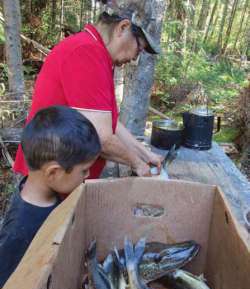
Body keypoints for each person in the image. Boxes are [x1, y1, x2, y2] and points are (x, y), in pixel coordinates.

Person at [13, 0, 163, 179]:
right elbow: (102, 137)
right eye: (138, 49)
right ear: (122, 27)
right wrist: (137, 163)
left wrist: (145, 155)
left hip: (60, 177)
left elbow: (109, 125)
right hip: (49, 182)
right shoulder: (87, 52)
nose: (133, 59)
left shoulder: (96, 52)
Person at [0, 106, 101, 288]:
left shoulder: (51, 192)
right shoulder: (20, 231)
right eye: (84, 170)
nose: (87, 176)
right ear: (53, 172)